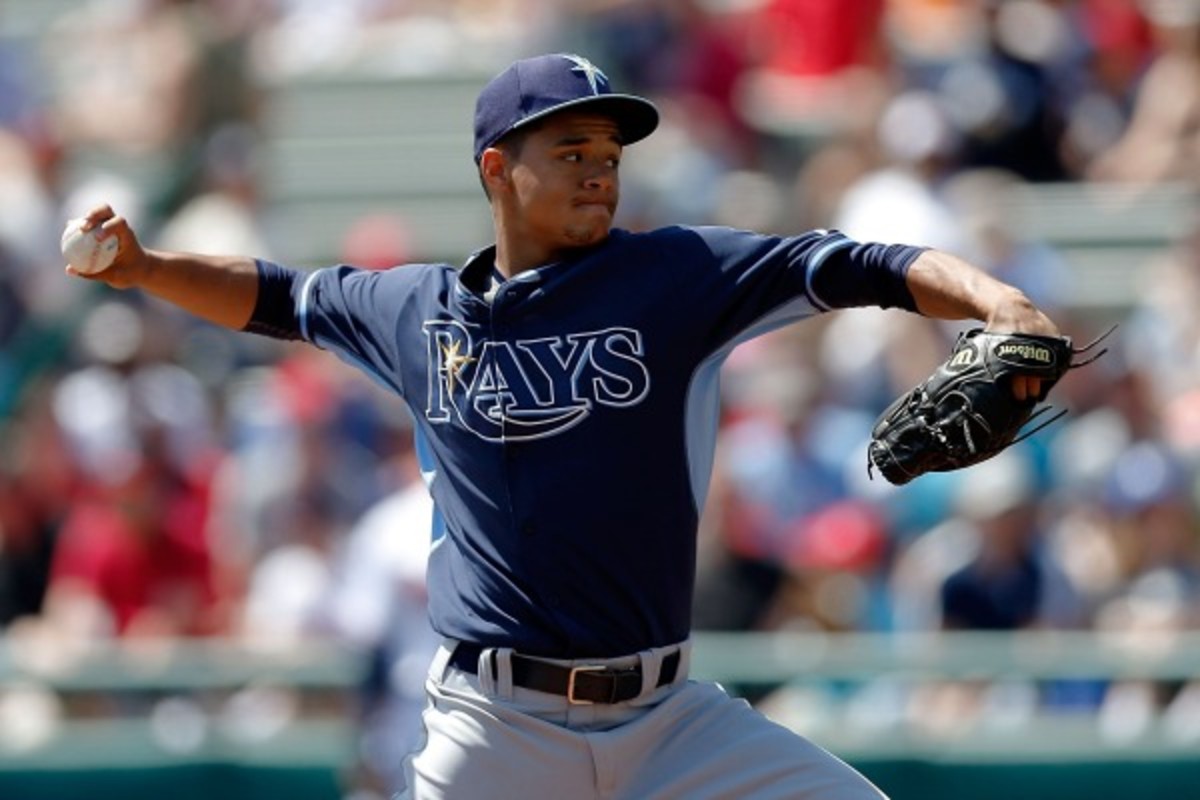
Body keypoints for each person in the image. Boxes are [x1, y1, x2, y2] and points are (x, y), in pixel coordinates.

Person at [67, 53, 1062, 799]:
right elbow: (276, 296)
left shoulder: (676, 275)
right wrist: (146, 267)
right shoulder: (414, 311)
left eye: (609, 153)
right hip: (497, 725)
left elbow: (860, 263)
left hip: (672, 719)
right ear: (498, 168)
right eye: (571, 150)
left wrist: (998, 300)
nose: (600, 171)